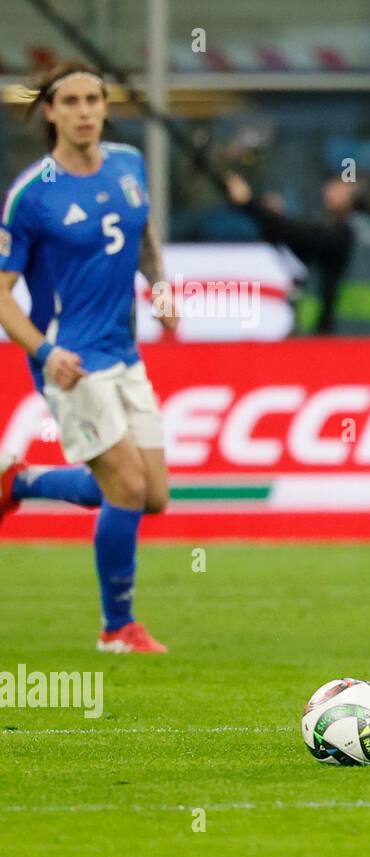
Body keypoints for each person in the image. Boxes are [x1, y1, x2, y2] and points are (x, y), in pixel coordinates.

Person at [0, 61, 178, 653]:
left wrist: (159, 284)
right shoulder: (32, 196)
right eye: (70, 101)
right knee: (125, 486)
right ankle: (116, 628)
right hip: (71, 362)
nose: (84, 111)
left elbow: (142, 231)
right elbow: (1, 296)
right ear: (49, 111)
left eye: (93, 99)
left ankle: (22, 481)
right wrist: (45, 351)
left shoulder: (129, 164)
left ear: (104, 106)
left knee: (152, 495)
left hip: (124, 353)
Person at [224, 172, 370, 334]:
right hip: (369, 342)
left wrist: (249, 204)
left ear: (356, 192)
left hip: (332, 342)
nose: (328, 188)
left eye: (340, 184)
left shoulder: (341, 234)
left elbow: (296, 235)